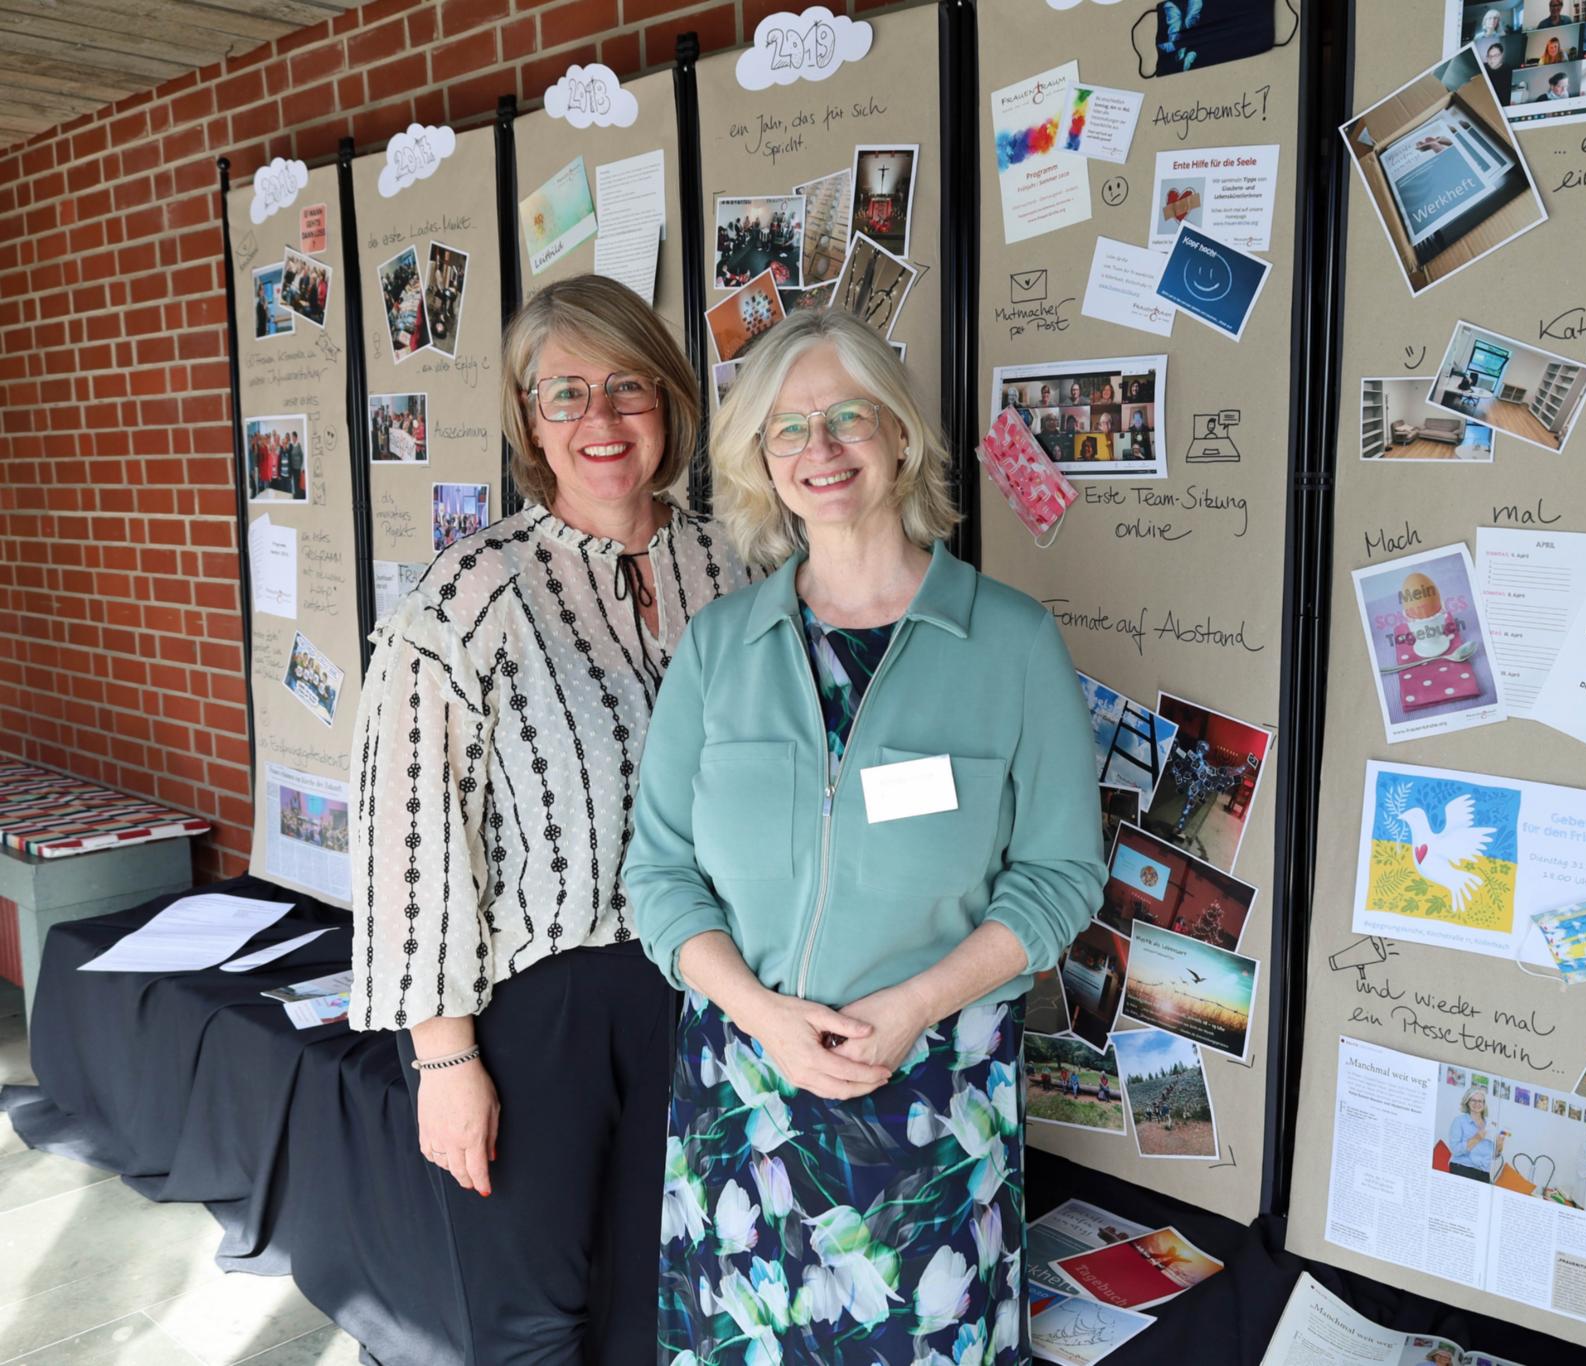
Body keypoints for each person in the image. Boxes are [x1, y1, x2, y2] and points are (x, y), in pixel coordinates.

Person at [626, 307, 1105, 1363]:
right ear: (760, 461)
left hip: (929, 1092)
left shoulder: (1012, 642)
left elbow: (1063, 873)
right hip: (743, 1088)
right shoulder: (716, 649)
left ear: (900, 433)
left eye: (848, 416)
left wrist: (914, 1004)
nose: (821, 449)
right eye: (787, 429)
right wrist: (759, 1013)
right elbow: (658, 874)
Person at [348, 274, 745, 1363]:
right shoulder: (467, 595)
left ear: (668, 399)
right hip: (543, 1011)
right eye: (563, 394)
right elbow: (408, 839)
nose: (601, 421)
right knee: (530, 1320)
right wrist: (441, 1061)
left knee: (668, 1296)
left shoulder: (736, 569)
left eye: (627, 387)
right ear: (527, 420)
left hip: (709, 994)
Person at [1445, 1086, 1504, 1183]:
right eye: (1473, 1100)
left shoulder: (1491, 1125)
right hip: (1462, 1167)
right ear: (1467, 1102)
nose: (1477, 1104)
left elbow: (1493, 1155)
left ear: (1484, 1104)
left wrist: (1499, 1147)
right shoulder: (1459, 1121)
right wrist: (1476, 1138)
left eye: (1480, 1101)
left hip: (1484, 1172)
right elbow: (1455, 1150)